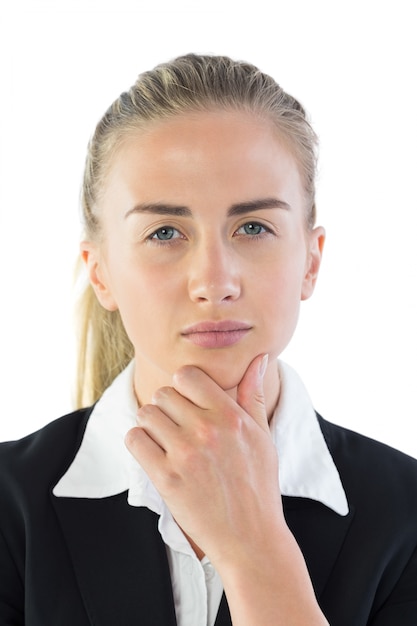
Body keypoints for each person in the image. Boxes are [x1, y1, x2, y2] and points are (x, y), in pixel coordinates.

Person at [1, 53, 417, 626]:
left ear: (311, 263)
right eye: (165, 232)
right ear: (101, 273)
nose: (214, 282)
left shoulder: (408, 514)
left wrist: (254, 550)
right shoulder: (8, 507)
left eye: (252, 227)